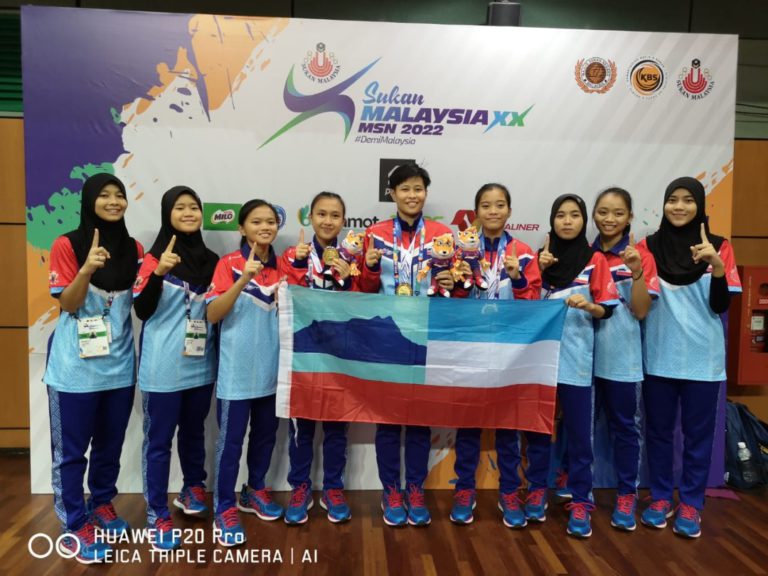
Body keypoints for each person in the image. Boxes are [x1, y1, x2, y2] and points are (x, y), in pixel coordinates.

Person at [44, 173, 143, 563]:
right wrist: (85, 269)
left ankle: (102, 503)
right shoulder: (67, 244)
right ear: (89, 201)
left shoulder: (133, 247)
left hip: (119, 366)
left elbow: (142, 300)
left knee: (109, 444)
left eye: (119, 195)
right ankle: (73, 523)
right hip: (74, 370)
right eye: (104, 195)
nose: (114, 201)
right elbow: (68, 304)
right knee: (70, 453)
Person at [359, 163, 465, 527]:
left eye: (418, 188)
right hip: (386, 337)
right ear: (392, 194)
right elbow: (361, 293)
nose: (412, 195)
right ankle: (391, 490)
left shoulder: (441, 234)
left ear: (426, 192)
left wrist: (451, 280)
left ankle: (415, 489)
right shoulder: (372, 234)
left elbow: (452, 291)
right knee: (388, 421)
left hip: (425, 335)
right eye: (404, 188)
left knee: (420, 419)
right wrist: (370, 269)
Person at [639, 177, 741, 538]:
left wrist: (715, 267)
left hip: (703, 360)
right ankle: (661, 497)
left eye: (687, 200)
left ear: (700, 206)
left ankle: (692, 503)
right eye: (672, 200)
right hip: (658, 356)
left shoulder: (720, 247)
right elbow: (638, 302)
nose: (679, 207)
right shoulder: (647, 247)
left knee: (698, 437)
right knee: (659, 433)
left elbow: (719, 305)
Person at [206, 199, 308, 546]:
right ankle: (224, 506)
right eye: (256, 221)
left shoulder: (284, 269)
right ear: (241, 228)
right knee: (230, 443)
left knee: (265, 437)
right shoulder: (227, 265)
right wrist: (242, 280)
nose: (264, 227)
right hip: (236, 372)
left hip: (272, 371)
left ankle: (254, 491)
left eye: (270, 222)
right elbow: (212, 315)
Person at [449, 183, 542, 529]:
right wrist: (456, 283)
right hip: (470, 347)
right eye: (486, 206)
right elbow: (451, 299)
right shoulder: (460, 250)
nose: (493, 211)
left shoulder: (524, 252)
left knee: (508, 425)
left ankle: (508, 491)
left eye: (500, 205)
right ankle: (464, 490)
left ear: (509, 211)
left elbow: (533, 306)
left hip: (510, 351)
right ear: (475, 213)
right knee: (469, 424)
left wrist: (517, 279)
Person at [133, 186, 219, 550]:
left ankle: (191, 488)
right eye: (180, 207)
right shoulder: (154, 257)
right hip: (162, 366)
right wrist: (157, 274)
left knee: (195, 431)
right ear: (167, 213)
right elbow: (142, 311)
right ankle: (156, 511)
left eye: (194, 207)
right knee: (159, 441)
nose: (188, 213)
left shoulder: (213, 259)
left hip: (200, 363)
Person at [536, 193, 619, 538]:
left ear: (584, 221)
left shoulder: (594, 259)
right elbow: (523, 301)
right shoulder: (539, 260)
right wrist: (537, 271)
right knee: (539, 432)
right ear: (552, 221)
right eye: (560, 215)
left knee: (580, 439)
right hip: (539, 365)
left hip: (576, 363)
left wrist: (588, 305)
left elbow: (608, 308)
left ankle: (582, 500)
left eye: (574, 215)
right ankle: (537, 491)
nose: (567, 221)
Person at [281, 191, 357, 525]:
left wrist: (350, 277)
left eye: (335, 215)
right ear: (309, 217)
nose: (328, 221)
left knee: (337, 427)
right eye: (322, 214)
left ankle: (333, 488)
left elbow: (363, 306)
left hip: (340, 356)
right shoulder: (292, 255)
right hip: (303, 355)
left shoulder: (351, 257)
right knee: (303, 428)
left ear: (344, 220)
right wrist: (298, 265)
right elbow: (287, 296)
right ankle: (299, 486)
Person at [591, 187, 659, 531]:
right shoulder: (582, 255)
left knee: (625, 429)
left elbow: (642, 310)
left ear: (629, 217)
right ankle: (578, 494)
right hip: (581, 360)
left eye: (618, 212)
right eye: (603, 211)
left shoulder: (640, 256)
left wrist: (635, 273)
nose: (609, 218)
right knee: (577, 428)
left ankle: (626, 495)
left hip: (622, 359)